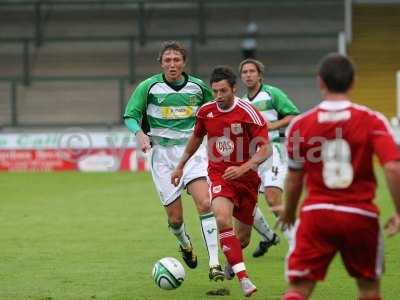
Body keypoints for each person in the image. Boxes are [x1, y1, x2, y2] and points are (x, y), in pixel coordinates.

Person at [279, 53, 400, 300]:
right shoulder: (372, 120)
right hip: (360, 215)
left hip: (316, 215)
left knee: (299, 289)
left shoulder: (300, 125)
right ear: (353, 82)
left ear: (320, 82)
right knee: (368, 288)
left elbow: (294, 177)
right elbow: (393, 167)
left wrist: (290, 211)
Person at [123, 41, 224, 281]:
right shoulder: (148, 87)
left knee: (205, 203)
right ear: (161, 63)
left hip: (193, 153)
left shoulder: (198, 88)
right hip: (162, 158)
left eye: (176, 60)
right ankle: (185, 243)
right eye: (167, 60)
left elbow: (217, 109)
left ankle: (214, 263)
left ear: (184, 63)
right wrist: (140, 134)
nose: (172, 64)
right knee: (175, 219)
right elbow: (130, 115)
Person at [171, 66, 271, 297]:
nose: (218, 96)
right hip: (219, 176)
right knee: (222, 218)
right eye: (214, 91)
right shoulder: (206, 111)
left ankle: (231, 261)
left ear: (234, 89)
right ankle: (244, 279)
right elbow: (196, 137)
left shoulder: (249, 113)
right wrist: (180, 165)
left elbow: (264, 149)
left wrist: (244, 168)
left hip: (247, 180)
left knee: (243, 239)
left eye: (223, 91)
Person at [239, 58, 300, 257]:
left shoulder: (272, 93)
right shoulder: (242, 103)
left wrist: (270, 127)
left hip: (273, 150)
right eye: (244, 72)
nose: (248, 75)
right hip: (251, 156)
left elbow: (293, 115)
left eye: (251, 71)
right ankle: (269, 237)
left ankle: (296, 245)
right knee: (245, 204)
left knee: (273, 198)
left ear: (259, 75)